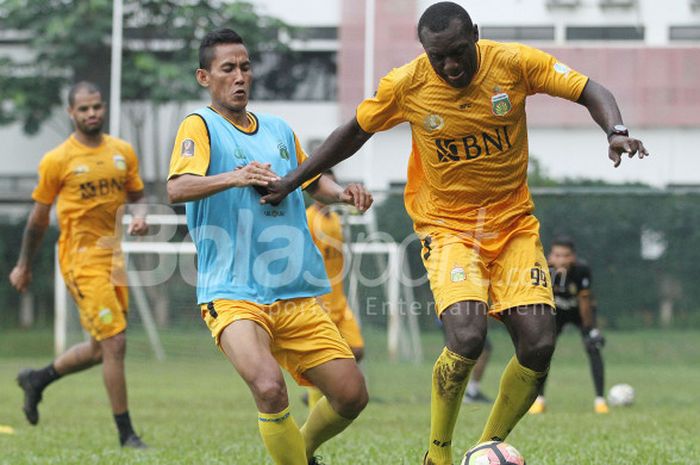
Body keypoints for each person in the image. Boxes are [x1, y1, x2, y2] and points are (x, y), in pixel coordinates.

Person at [261, 2, 649, 463]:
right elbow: (353, 132)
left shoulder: (515, 63)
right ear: (424, 51)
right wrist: (295, 178)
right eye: (437, 56)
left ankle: (486, 446)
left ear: (476, 36)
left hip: (513, 225)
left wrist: (615, 130)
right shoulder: (406, 85)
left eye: (459, 52)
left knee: (539, 342)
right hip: (447, 228)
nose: (450, 66)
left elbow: (590, 89)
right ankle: (437, 455)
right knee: (465, 335)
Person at [166, 28, 372, 465]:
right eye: (228, 69)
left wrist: (343, 193)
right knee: (268, 386)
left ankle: (302, 450)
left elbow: (312, 180)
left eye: (245, 67)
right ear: (205, 77)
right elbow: (178, 188)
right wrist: (235, 176)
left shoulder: (279, 129)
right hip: (232, 293)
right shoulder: (200, 126)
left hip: (293, 291)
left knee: (351, 394)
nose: (240, 76)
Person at [10, 81, 149, 448]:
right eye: (84, 109)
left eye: (97, 107)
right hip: (80, 260)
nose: (92, 114)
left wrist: (140, 216)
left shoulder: (122, 152)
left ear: (103, 109)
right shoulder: (57, 160)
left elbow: (137, 196)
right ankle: (127, 435)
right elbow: (38, 220)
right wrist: (24, 265)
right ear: (71, 113)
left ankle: (37, 379)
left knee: (100, 348)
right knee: (115, 342)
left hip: (113, 257)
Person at [305, 169, 366, 409]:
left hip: (339, 297)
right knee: (321, 356)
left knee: (357, 350)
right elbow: (303, 259)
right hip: (319, 298)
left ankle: (329, 390)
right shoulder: (308, 218)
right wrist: (313, 295)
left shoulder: (335, 218)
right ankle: (315, 404)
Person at [529, 237, 608, 414]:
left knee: (593, 347)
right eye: (557, 255)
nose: (561, 260)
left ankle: (600, 401)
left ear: (573, 257)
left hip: (580, 312)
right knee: (543, 351)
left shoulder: (581, 270)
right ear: (550, 256)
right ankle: (539, 400)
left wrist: (590, 330)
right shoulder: (543, 268)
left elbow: (585, 301)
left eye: (566, 255)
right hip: (556, 313)